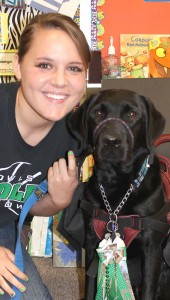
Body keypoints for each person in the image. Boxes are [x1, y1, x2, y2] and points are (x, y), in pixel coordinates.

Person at [0, 12, 91, 299]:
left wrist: (57, 201)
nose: (61, 81)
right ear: (18, 66)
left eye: (74, 68)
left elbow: (20, 201)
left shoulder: (74, 138)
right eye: (44, 65)